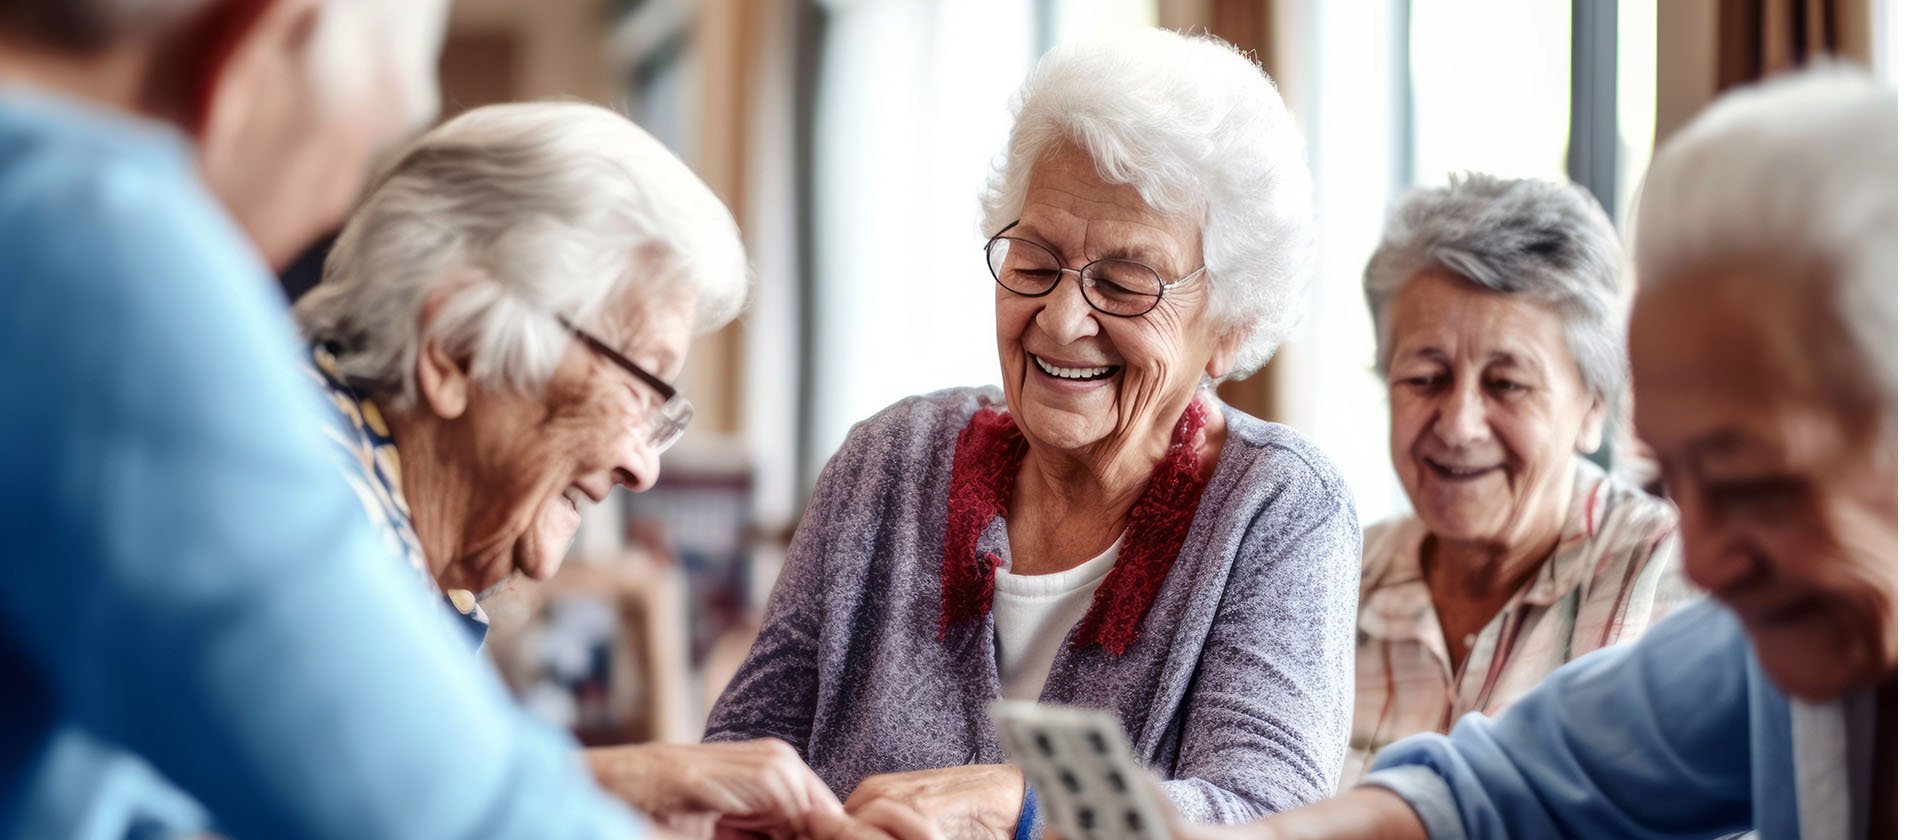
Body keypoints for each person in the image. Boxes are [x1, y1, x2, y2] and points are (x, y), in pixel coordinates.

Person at [1168, 64, 1896, 840]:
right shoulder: (1758, 648)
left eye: (1750, 483)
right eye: (1671, 478)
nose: (1707, 560)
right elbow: (1510, 783)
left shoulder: (1713, 587)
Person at [0, 1, 654, 836]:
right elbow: (449, 818)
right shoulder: (86, 247)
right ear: (258, 44)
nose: (313, 226)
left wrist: (613, 784)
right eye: (337, 170)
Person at [705, 28, 1361, 837]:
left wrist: (1020, 803)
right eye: (1035, 262)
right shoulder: (886, 461)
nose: (1060, 319)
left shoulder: (1280, 508)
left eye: (1125, 284)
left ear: (1230, 325)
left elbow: (1268, 818)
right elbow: (739, 762)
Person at [294, 99, 844, 836]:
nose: (642, 468)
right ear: (457, 347)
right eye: (640, 384)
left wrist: (618, 785)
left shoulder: (372, 522)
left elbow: (391, 784)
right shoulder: (312, 506)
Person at [1342, 174, 1695, 787]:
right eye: (1426, 377)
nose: (1458, 426)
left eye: (1507, 384)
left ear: (1593, 409)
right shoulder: (1334, 575)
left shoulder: (1671, 579)